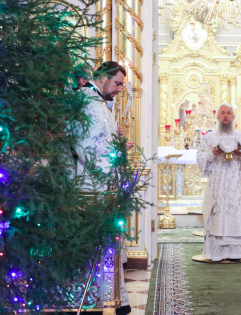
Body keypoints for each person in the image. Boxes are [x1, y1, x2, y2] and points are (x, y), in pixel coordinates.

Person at [73, 61, 133, 314]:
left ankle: (111, 298)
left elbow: (102, 140)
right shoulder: (87, 103)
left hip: (103, 183)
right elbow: (85, 146)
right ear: (103, 78)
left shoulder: (100, 104)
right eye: (118, 83)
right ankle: (94, 299)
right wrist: (115, 153)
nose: (120, 89)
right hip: (91, 184)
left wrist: (116, 142)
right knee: (94, 244)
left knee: (109, 243)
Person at [197, 103, 241, 261]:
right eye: (222, 113)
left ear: (233, 117)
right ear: (217, 117)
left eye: (229, 113)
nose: (225, 116)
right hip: (217, 183)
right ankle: (216, 253)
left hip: (235, 184)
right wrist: (212, 153)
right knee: (217, 210)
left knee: (235, 210)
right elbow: (201, 158)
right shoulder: (209, 138)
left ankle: (236, 253)